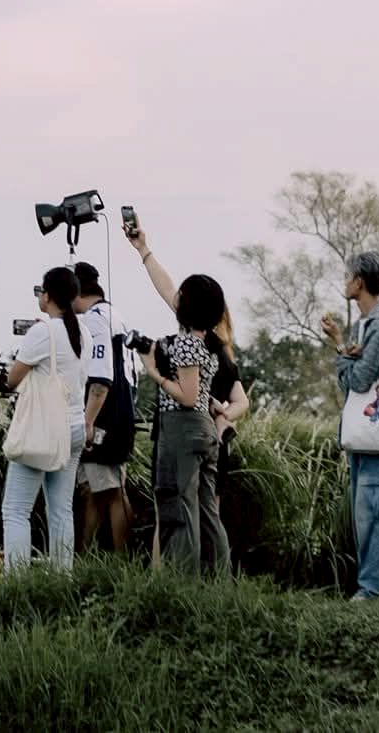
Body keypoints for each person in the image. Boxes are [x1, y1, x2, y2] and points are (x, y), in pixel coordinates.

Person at [124, 225, 229, 573]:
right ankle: (218, 579)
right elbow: (166, 287)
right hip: (205, 431)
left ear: (189, 304)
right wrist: (143, 250)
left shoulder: (184, 342)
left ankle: (181, 581)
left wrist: (154, 372)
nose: (176, 296)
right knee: (206, 510)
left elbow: (186, 396)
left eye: (182, 295)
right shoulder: (210, 341)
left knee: (177, 505)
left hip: (182, 427)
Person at [323, 253, 379, 599]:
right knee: (365, 511)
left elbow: (357, 381)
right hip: (366, 430)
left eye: (347, 276)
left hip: (376, 431)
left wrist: (341, 353)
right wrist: (344, 347)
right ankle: (368, 586)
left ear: (359, 282)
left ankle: (372, 588)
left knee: (375, 510)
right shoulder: (365, 326)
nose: (345, 282)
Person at [0, 266, 88, 573]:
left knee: (16, 510)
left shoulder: (42, 331)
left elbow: (13, 379)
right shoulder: (83, 333)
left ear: (47, 295)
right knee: (61, 510)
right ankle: (62, 578)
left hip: (45, 430)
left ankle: (16, 581)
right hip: (75, 427)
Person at [73, 262, 137, 553]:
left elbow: (100, 380)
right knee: (93, 489)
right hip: (120, 411)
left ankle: (123, 559)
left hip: (105, 415)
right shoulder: (114, 315)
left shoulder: (95, 320)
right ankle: (87, 556)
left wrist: (88, 421)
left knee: (112, 490)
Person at [205, 299, 252, 573]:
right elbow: (242, 401)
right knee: (213, 510)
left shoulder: (204, 350)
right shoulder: (226, 355)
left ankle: (206, 570)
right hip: (219, 439)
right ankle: (218, 572)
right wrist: (225, 417)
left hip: (201, 436)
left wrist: (219, 414)